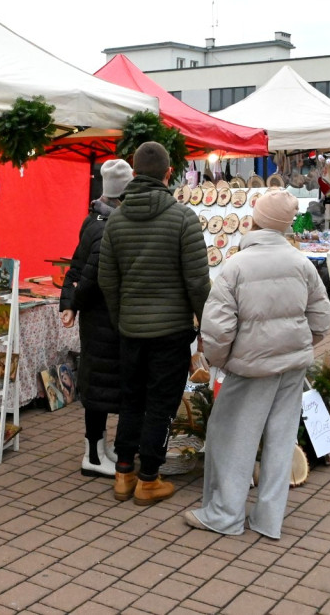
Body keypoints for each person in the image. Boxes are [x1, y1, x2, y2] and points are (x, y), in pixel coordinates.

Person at [184, 189, 330, 539]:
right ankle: (268, 519)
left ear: (254, 220)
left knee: (232, 437)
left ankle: (225, 514)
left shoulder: (236, 266)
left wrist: (222, 363)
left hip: (249, 368)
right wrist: (298, 346)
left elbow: (217, 330)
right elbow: (322, 318)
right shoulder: (301, 263)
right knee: (280, 441)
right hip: (292, 366)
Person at [98, 141, 210, 506]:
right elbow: (197, 283)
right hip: (172, 331)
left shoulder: (115, 220)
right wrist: (205, 325)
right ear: (167, 174)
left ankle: (124, 474)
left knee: (131, 400)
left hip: (130, 329)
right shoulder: (183, 218)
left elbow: (107, 281)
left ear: (133, 173)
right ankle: (149, 479)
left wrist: (121, 319)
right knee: (160, 405)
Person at [59, 158, 134, 477]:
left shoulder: (93, 219)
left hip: (96, 318)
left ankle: (101, 448)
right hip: (105, 317)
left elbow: (75, 266)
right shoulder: (109, 228)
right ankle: (92, 452)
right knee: (101, 387)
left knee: (100, 383)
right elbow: (88, 275)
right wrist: (73, 302)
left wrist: (69, 303)